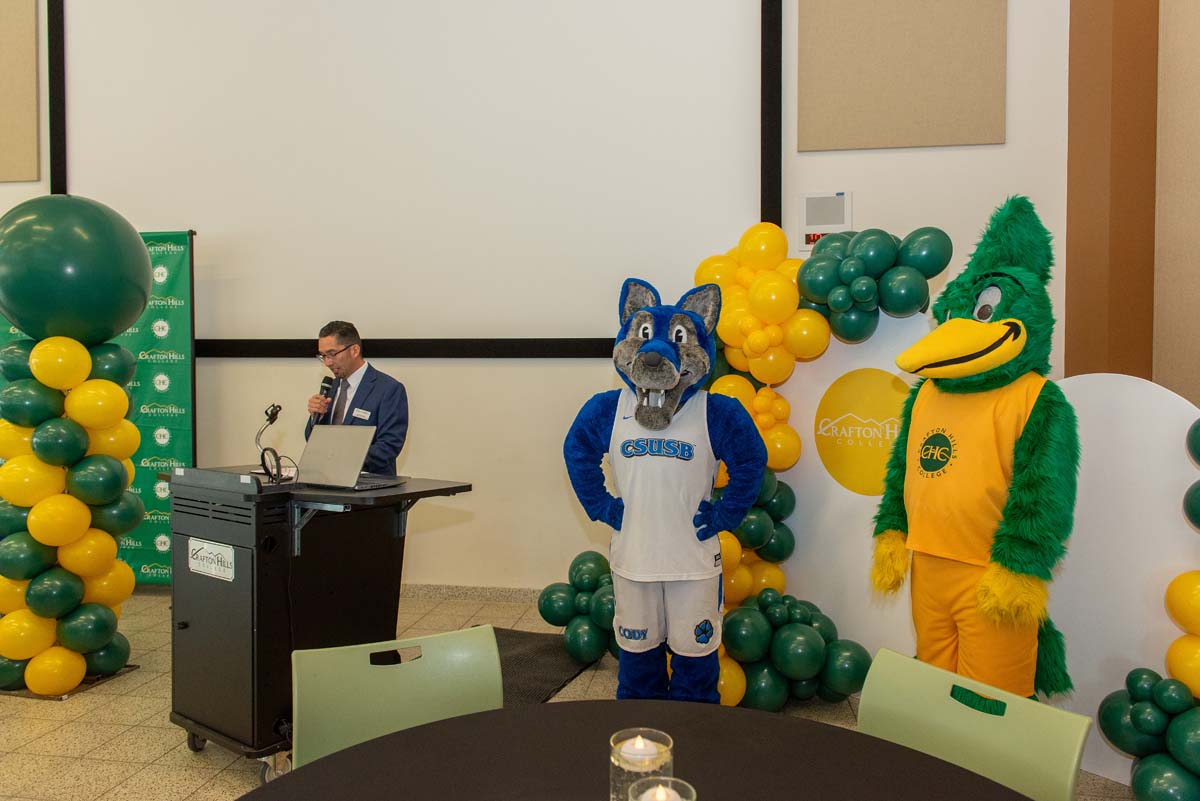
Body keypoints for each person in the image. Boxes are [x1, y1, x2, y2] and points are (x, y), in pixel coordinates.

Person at [305, 321, 408, 475]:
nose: (328, 362)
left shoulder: (388, 389)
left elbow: (388, 447)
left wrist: (341, 460)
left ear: (354, 350)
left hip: (369, 488)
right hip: (327, 482)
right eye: (323, 356)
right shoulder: (330, 388)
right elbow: (311, 440)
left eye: (332, 354)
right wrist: (316, 417)